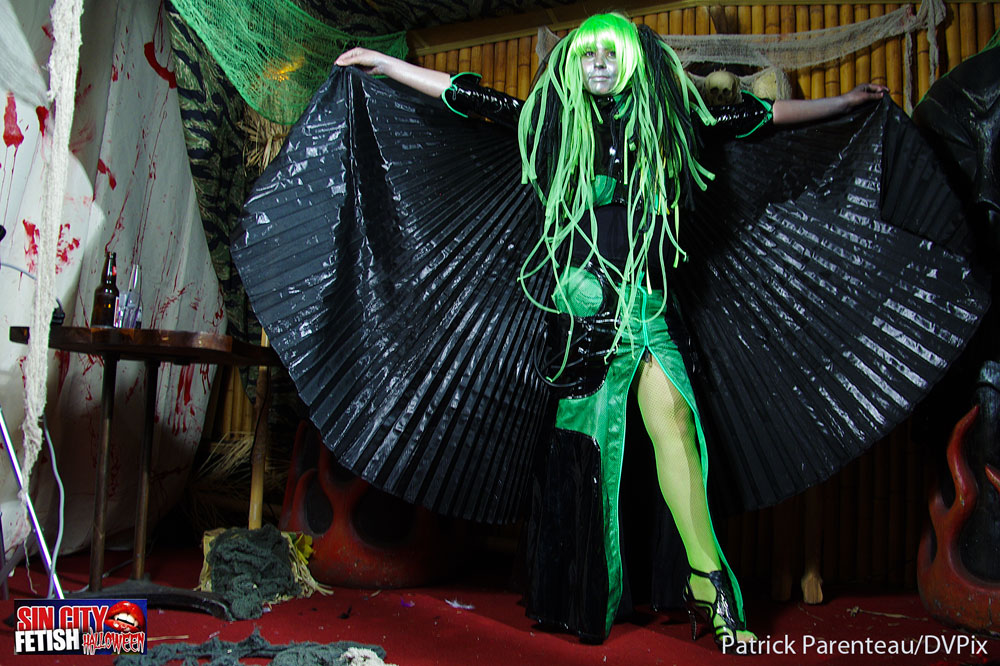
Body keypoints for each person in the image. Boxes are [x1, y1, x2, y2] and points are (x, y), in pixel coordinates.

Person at [335, 13, 887, 649]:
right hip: (586, 313)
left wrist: (844, 103)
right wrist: (389, 65)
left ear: (632, 62)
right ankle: (582, 592)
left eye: (611, 53)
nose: (598, 63)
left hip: (648, 305)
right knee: (588, 454)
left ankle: (708, 580)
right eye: (587, 53)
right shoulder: (553, 122)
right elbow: (471, 98)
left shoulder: (668, 125)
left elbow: (755, 118)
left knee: (676, 426)